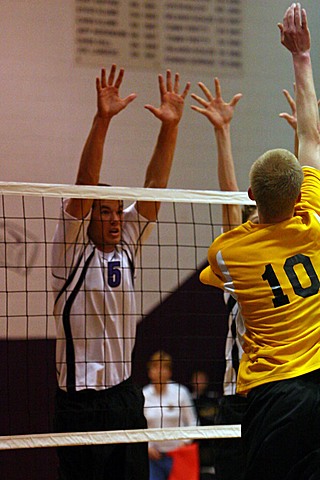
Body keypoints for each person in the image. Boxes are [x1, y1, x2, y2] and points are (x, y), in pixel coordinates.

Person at [51, 64, 190, 480]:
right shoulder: (71, 252)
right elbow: (85, 181)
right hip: (79, 401)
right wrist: (102, 119)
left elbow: (154, 186)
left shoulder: (127, 243)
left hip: (124, 396)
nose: (115, 220)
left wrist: (171, 127)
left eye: (117, 213)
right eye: (105, 212)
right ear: (89, 217)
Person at [200, 3, 320, 479]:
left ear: (252, 195)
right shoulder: (313, 225)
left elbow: (229, 242)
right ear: (297, 197)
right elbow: (311, 139)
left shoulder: (229, 254)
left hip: (271, 397)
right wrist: (302, 55)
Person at [191, 77, 255, 480]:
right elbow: (231, 200)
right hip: (240, 397)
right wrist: (222, 132)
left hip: (276, 391)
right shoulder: (237, 272)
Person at [143, 350, 199, 480]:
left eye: (164, 367)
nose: (160, 371)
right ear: (150, 371)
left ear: (170, 371)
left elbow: (193, 422)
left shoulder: (181, 392)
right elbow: (139, 426)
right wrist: (147, 447)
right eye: (156, 367)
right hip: (153, 457)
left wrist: (184, 443)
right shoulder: (144, 395)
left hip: (179, 455)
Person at [190, 370, 219, 479]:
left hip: (213, 437)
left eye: (202, 379)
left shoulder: (214, 398)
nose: (200, 382)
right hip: (198, 439)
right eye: (197, 379)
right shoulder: (189, 399)